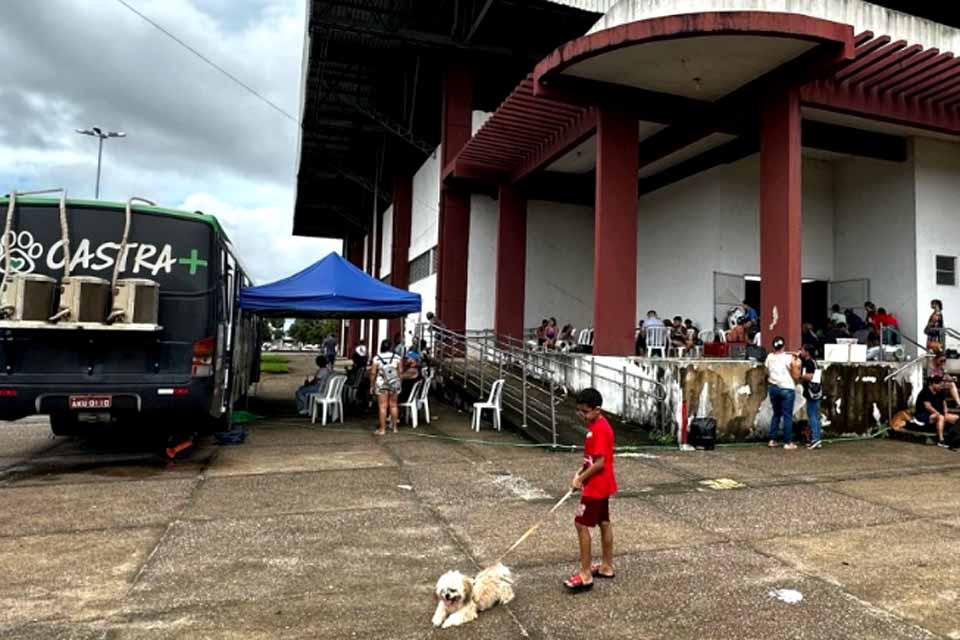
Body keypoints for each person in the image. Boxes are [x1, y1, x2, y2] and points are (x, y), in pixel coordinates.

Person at [564, 388, 617, 593]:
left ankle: (585, 574)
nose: (582, 416)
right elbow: (591, 460)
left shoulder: (600, 429)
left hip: (596, 486)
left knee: (580, 523)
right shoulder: (595, 425)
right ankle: (606, 566)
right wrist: (579, 473)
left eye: (585, 412)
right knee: (603, 521)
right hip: (599, 483)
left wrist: (581, 480)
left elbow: (600, 463)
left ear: (597, 410)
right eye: (579, 411)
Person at [765, 336, 799, 450]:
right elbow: (795, 368)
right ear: (783, 346)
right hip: (787, 388)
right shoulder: (788, 357)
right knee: (787, 416)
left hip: (774, 388)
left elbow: (766, 369)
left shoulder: (769, 357)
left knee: (776, 414)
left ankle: (772, 439)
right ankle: (788, 442)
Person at [369, 339, 404, 435]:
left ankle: (382, 429)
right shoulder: (397, 357)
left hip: (382, 384)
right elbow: (400, 371)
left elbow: (373, 373)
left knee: (382, 407)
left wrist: (372, 385)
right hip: (394, 383)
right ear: (390, 347)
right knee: (393, 405)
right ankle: (395, 428)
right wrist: (399, 382)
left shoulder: (377, 358)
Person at [914, 376, 957, 448]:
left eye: (942, 385)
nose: (941, 387)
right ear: (933, 384)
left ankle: (953, 437)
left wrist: (945, 413)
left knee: (956, 418)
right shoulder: (925, 392)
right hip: (924, 415)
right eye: (940, 385)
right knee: (940, 417)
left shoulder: (940, 392)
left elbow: (944, 405)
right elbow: (928, 407)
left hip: (938, 414)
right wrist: (939, 414)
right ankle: (941, 440)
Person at [798, 345, 823, 450]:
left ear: (807, 352)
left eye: (803, 350)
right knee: (815, 415)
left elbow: (811, 376)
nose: (801, 352)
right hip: (815, 391)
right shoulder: (813, 362)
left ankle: (815, 439)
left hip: (811, 392)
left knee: (812, 415)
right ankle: (817, 438)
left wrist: (800, 376)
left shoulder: (809, 363)